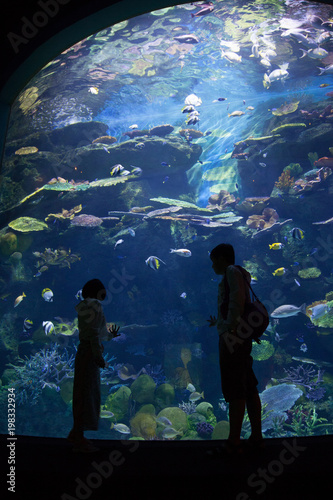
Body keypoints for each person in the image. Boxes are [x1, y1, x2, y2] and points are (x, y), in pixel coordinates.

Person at [207, 243, 263, 454]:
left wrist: (229, 329)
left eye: (214, 261)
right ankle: (257, 437)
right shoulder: (240, 273)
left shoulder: (231, 271)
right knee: (248, 385)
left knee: (235, 388)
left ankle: (233, 441)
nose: (212, 266)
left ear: (222, 258)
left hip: (234, 338)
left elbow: (237, 302)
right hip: (241, 336)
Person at [67, 279, 120, 452]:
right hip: (90, 354)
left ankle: (76, 432)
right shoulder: (95, 307)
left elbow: (96, 332)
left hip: (83, 351)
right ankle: (79, 437)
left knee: (81, 392)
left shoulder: (83, 306)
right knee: (88, 393)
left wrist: (111, 336)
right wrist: (98, 356)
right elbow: (94, 335)